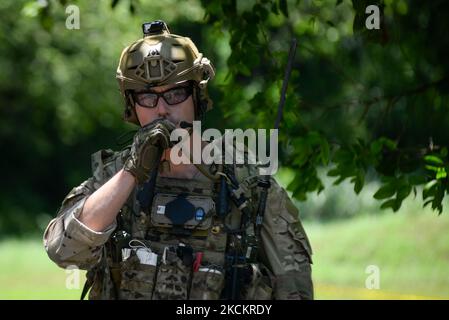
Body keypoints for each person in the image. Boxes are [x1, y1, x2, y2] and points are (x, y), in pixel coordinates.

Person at [43, 20, 314, 300]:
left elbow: (295, 289)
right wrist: (132, 172)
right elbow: (64, 253)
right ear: (131, 105)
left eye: (175, 94)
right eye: (147, 97)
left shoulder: (248, 183)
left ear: (197, 95)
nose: (162, 109)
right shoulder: (115, 176)